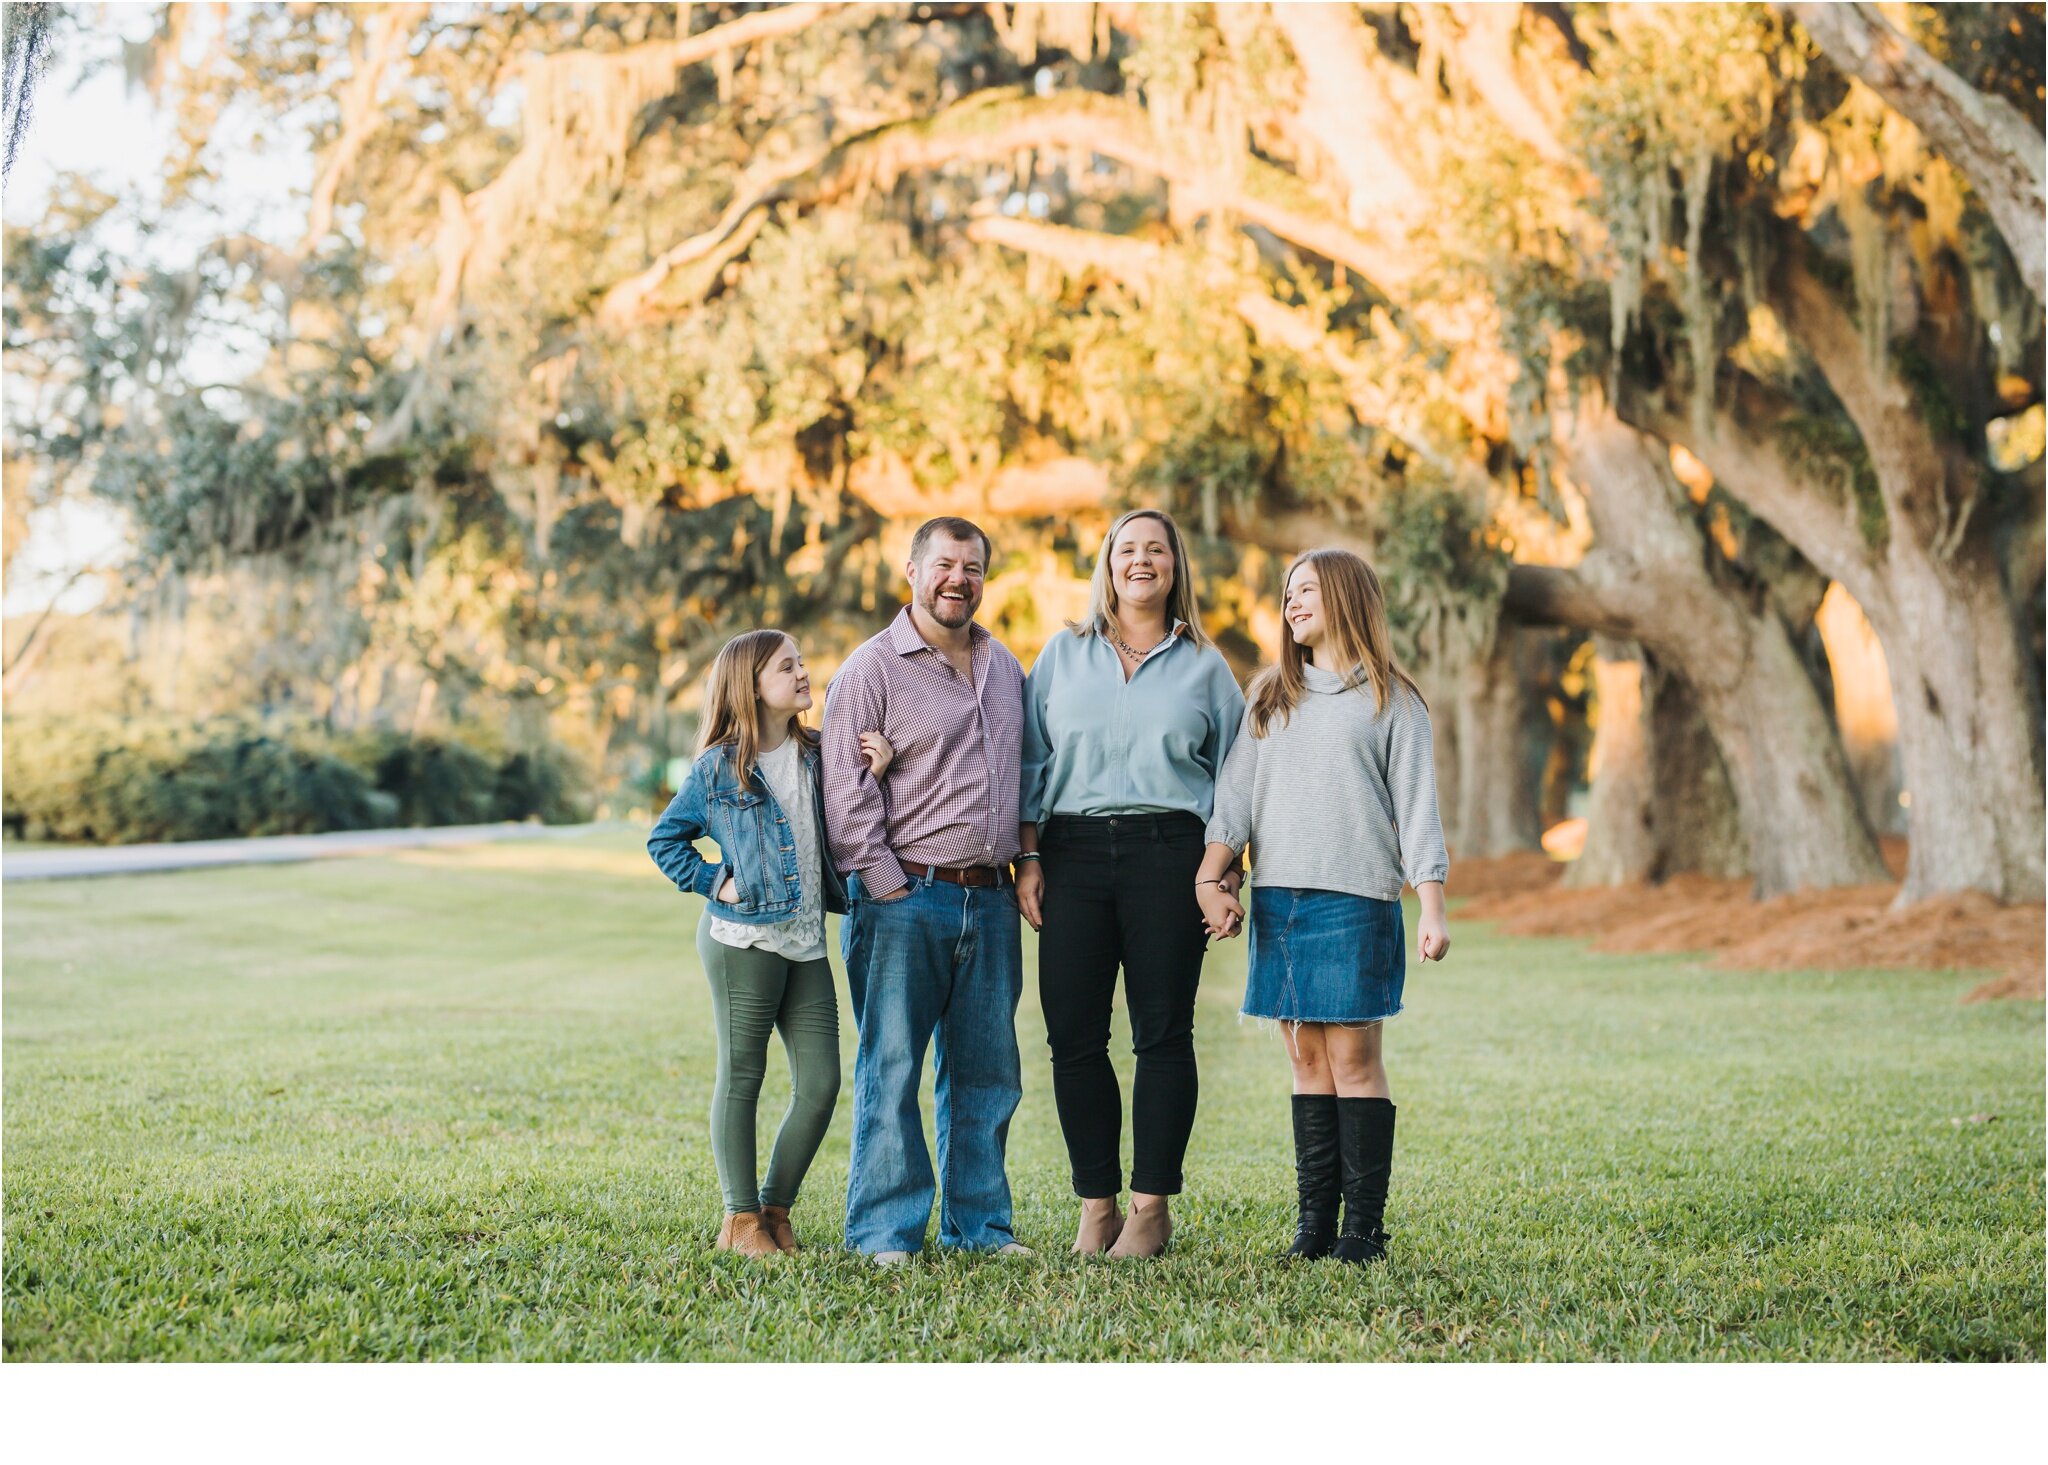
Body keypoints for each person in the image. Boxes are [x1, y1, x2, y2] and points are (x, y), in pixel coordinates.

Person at [1195, 548, 1450, 1266]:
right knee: (1306, 1058)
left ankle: (1363, 1230)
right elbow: (1234, 801)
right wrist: (1209, 879)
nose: (1292, 603)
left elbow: (1418, 809)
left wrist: (1431, 906)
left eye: (1307, 589)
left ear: (1346, 597)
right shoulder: (1269, 693)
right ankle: (1314, 1225)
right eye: (1287, 592)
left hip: (1358, 896)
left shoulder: (1392, 699)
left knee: (1354, 1059)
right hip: (1281, 900)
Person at [1017, 507, 1245, 1258]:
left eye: (1157, 549)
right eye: (1128, 548)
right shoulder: (1061, 653)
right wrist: (1029, 856)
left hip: (1169, 854)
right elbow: (1028, 759)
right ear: (1107, 564)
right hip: (1071, 853)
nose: (1141, 560)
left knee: (1163, 1034)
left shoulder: (1207, 667)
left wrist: (1223, 871)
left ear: (1177, 567)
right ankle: (1097, 1205)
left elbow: (1238, 777)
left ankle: (1150, 1207)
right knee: (1074, 1038)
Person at [822, 516, 1033, 1265]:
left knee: (987, 1073)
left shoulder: (1004, 665)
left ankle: (981, 1229)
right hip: (906, 897)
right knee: (893, 1065)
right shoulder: (871, 669)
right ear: (911, 570)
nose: (958, 579)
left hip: (993, 897)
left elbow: (1026, 773)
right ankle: (884, 1232)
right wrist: (889, 888)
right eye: (944, 564)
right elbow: (843, 794)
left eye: (972, 567)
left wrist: (1024, 865)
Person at [646, 629, 893, 1259]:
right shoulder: (719, 768)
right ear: (751, 686)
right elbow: (664, 841)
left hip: (805, 938)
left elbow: (849, 821)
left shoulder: (820, 753)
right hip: (742, 941)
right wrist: (713, 882)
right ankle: (738, 1220)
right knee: (743, 1076)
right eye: (788, 667)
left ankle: (774, 1210)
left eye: (803, 663)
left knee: (821, 1083)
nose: (804, 674)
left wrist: (876, 771)